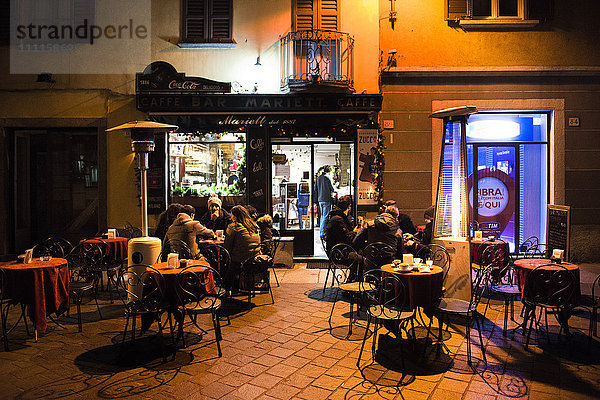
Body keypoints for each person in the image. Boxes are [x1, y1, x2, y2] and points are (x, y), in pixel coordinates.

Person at [223, 205, 261, 292]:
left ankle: (227, 289)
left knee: (226, 262)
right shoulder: (254, 225)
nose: (231, 217)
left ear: (235, 216)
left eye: (231, 214)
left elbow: (227, 246)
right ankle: (236, 287)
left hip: (242, 260)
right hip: (255, 258)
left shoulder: (234, 227)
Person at [314, 165, 336, 239]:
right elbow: (332, 189)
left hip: (320, 199)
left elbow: (315, 189)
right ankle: (322, 233)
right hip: (326, 199)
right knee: (325, 216)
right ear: (329, 171)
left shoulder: (318, 178)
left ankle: (322, 232)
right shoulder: (328, 177)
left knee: (322, 216)